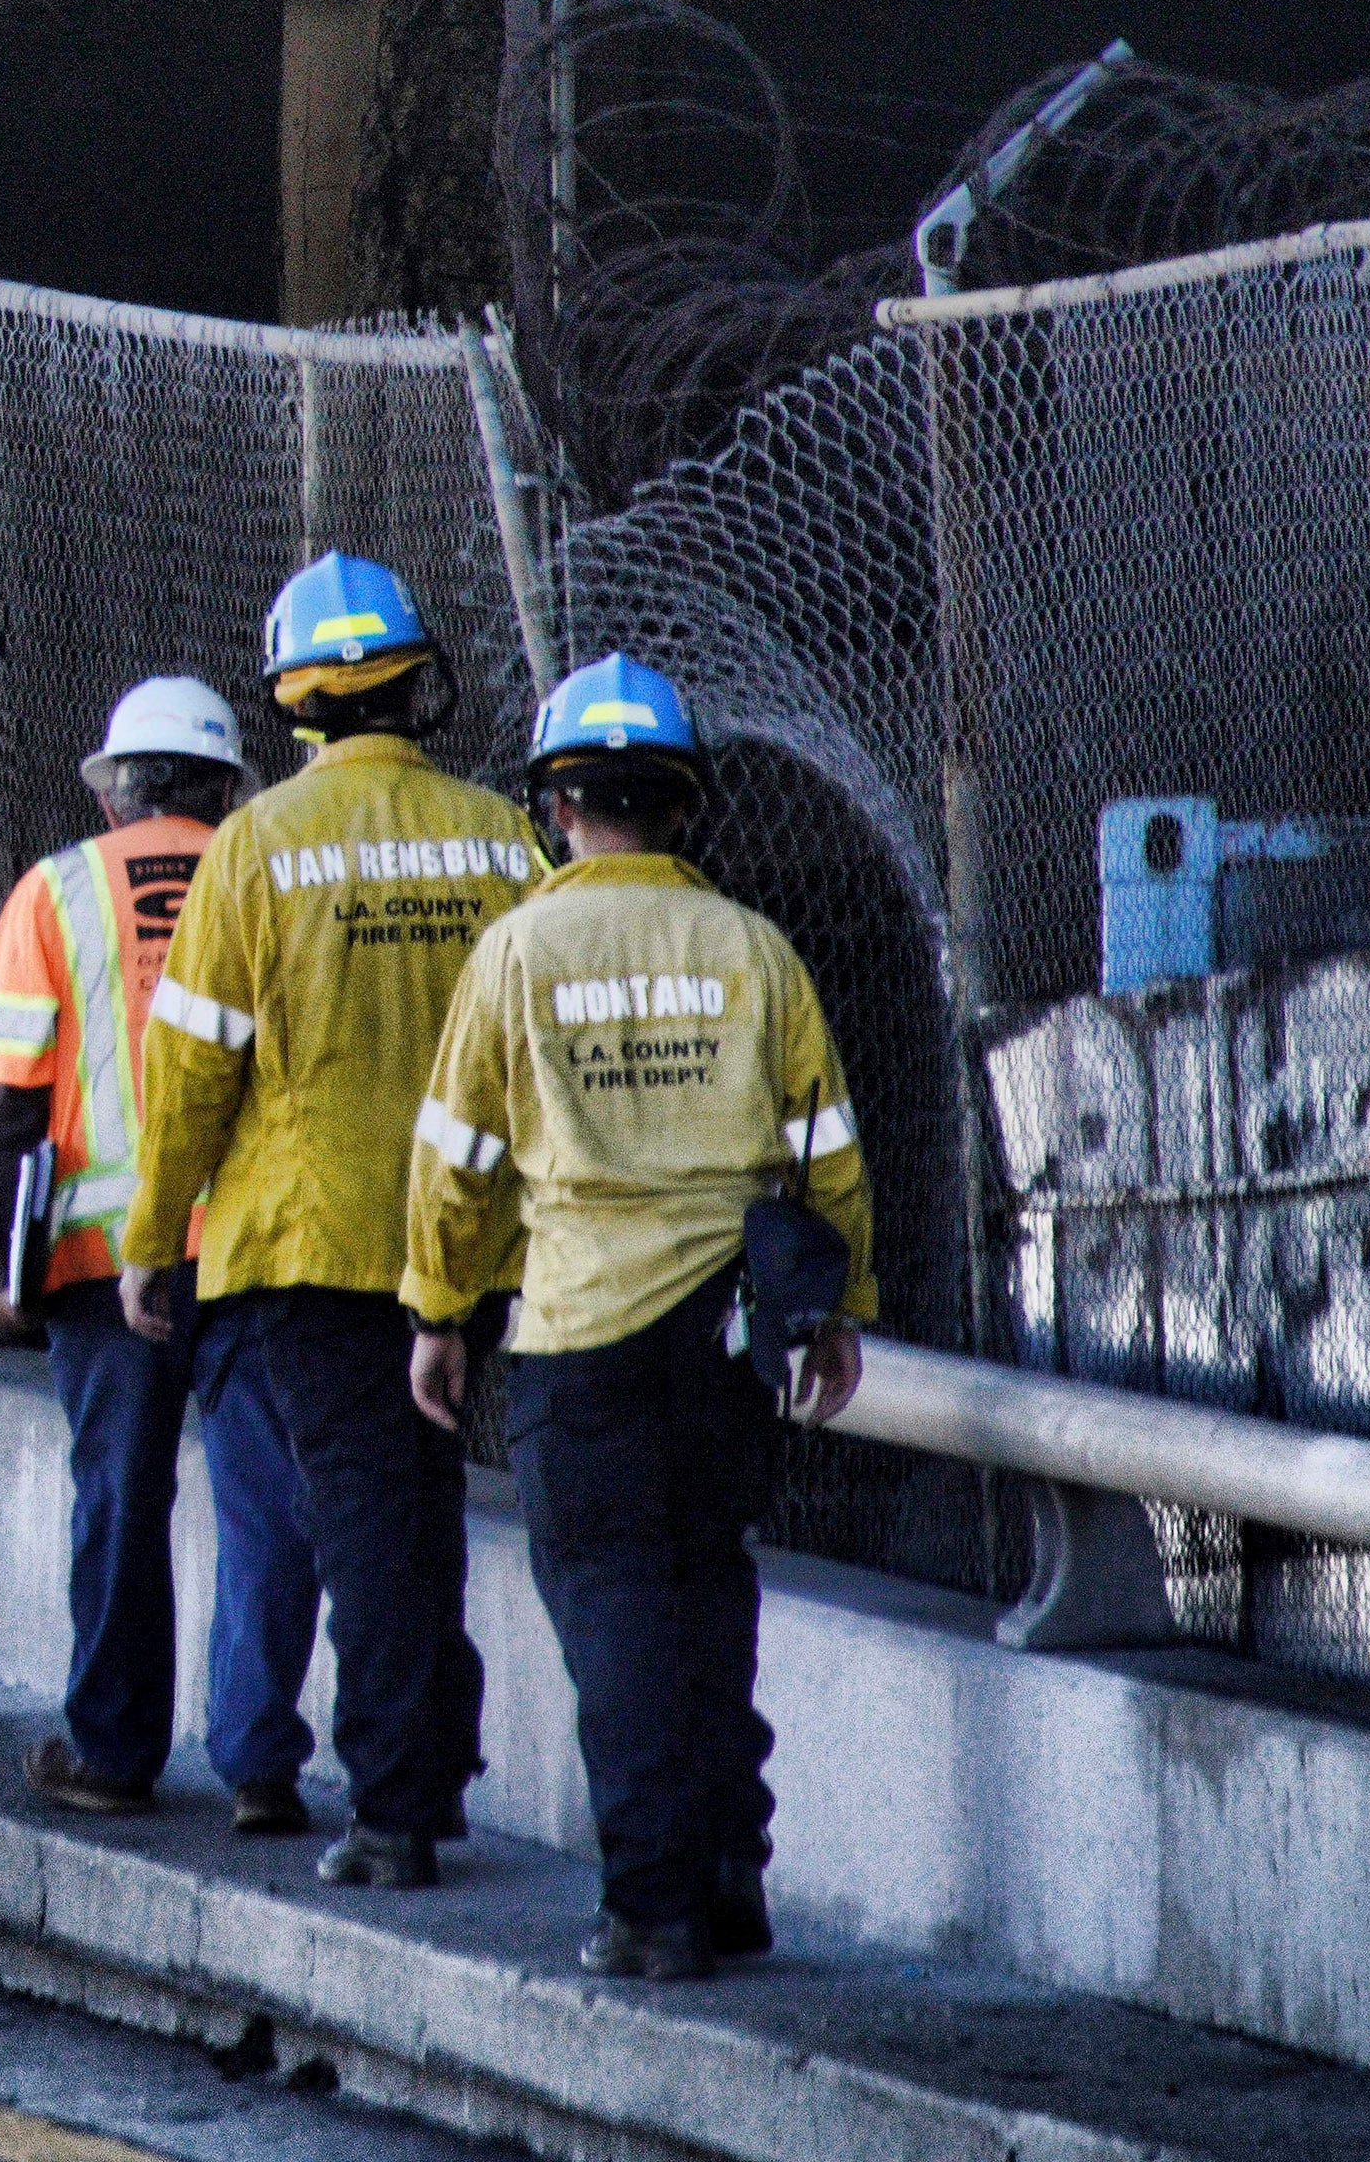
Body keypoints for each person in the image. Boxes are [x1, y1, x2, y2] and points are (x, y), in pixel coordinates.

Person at [404, 654, 874, 1979]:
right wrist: (837, 1312)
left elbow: (457, 1163)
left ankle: (652, 1910)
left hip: (578, 1343)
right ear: (683, 807)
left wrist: (441, 1309)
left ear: (558, 808)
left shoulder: (516, 954)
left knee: (615, 1625)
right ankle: (731, 1878)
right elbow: (828, 1155)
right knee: (710, 1601)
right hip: (726, 1346)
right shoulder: (751, 950)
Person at [120, 551, 542, 1885]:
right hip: (476, 1242)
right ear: (415, 685)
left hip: (318, 1242)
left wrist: (151, 1235)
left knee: (367, 1518)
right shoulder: (500, 839)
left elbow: (190, 1074)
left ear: (294, 704)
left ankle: (399, 1805)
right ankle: (426, 1765)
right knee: (422, 1509)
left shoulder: (256, 849)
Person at [0, 674, 319, 1826]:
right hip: (257, 1249)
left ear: (116, 790)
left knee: (121, 1496)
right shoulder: (272, 884)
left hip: (105, 1263)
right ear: (223, 789)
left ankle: (113, 1753)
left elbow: (0, 1097)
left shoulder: (55, 892)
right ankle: (260, 1763)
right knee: (270, 1500)